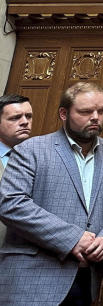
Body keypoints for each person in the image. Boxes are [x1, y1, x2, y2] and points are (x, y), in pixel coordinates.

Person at [0, 82, 103, 306]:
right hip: (33, 279)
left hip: (87, 278)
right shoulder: (31, 150)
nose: (96, 117)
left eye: (101, 111)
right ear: (64, 113)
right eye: (86, 112)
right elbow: (11, 204)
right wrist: (72, 238)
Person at [0, 94, 32, 245]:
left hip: (26, 252)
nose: (25, 122)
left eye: (28, 116)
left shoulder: (36, 157)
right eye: (15, 118)